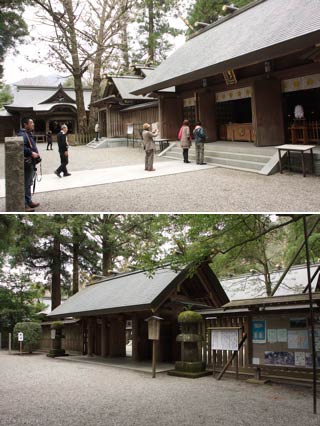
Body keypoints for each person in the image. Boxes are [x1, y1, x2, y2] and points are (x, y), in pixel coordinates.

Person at [17, 117, 41, 212]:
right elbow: (20, 147)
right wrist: (31, 153)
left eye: (33, 123)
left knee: (29, 183)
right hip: (27, 163)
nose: (33, 124)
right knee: (25, 184)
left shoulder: (27, 134)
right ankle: (24, 205)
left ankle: (29, 201)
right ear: (25, 124)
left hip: (31, 163)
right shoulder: (22, 135)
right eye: (31, 123)